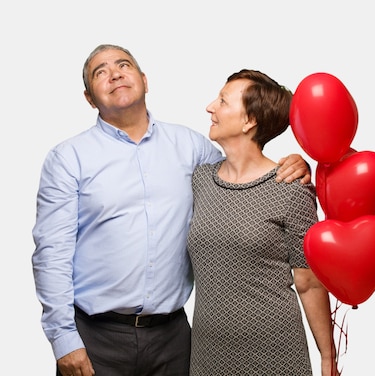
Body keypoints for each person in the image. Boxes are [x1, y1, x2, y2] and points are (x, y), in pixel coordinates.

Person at [31, 44, 311, 376]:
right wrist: (64, 339)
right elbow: (52, 254)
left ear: (145, 81)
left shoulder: (192, 148)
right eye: (100, 72)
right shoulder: (68, 158)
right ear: (90, 98)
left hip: (174, 341)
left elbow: (244, 173)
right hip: (96, 340)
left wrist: (297, 164)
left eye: (124, 64)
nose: (115, 73)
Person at [186, 69, 338, 376]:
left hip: (273, 355)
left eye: (223, 101)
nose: (210, 107)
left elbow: (308, 283)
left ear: (249, 121)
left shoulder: (292, 190)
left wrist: (326, 357)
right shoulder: (200, 180)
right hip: (207, 353)